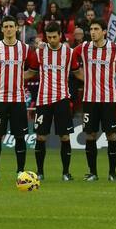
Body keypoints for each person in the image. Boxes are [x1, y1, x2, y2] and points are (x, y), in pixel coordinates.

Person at [73, 19, 116, 180]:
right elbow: (70, 57)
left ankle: (112, 173)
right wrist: (82, 76)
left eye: (96, 29)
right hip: (90, 100)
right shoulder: (85, 47)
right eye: (91, 29)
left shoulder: (114, 48)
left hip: (109, 100)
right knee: (90, 135)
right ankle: (93, 172)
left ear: (104, 32)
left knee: (111, 136)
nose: (93, 32)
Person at [0, 15, 31, 181]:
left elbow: (33, 70)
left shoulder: (25, 49)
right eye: (6, 26)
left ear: (16, 28)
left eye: (12, 26)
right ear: (2, 29)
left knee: (20, 136)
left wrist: (19, 78)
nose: (9, 29)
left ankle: (20, 171)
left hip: (18, 99)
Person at [32, 22, 76, 182]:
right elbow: (31, 71)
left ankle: (66, 172)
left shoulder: (69, 53)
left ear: (60, 35)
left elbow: (78, 72)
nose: (51, 40)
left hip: (62, 99)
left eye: (54, 37)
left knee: (65, 137)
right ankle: (40, 172)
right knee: (40, 137)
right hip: (43, 100)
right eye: (49, 37)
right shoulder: (39, 52)